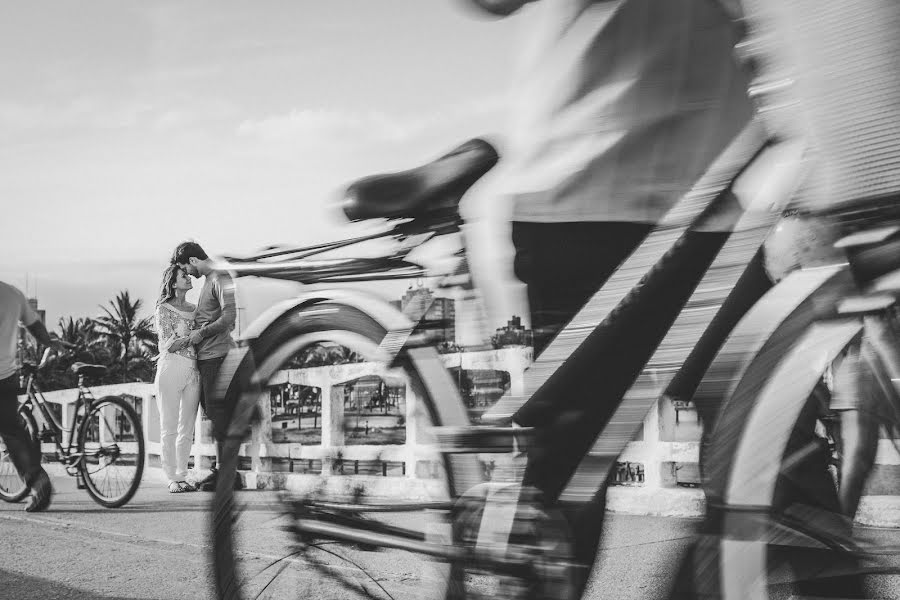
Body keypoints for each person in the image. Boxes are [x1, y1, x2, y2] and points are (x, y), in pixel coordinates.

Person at [171, 241, 240, 491]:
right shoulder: (210, 280)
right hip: (208, 358)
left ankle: (228, 473)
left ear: (192, 261)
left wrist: (201, 334)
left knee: (220, 416)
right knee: (215, 416)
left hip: (218, 356)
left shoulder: (219, 277)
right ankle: (224, 470)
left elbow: (230, 318)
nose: (188, 274)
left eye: (185, 268)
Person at [0, 281, 61, 511]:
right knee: (13, 431)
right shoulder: (12, 294)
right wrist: (49, 343)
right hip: (6, 375)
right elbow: (35, 326)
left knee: (12, 430)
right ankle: (39, 481)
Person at [154, 265, 201, 493]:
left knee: (187, 428)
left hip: (194, 370)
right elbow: (168, 344)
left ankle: (183, 475)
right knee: (169, 426)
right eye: (184, 276)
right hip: (171, 368)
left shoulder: (196, 309)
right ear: (173, 283)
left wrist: (192, 337)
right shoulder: (163, 309)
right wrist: (194, 337)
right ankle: (172, 477)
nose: (189, 278)